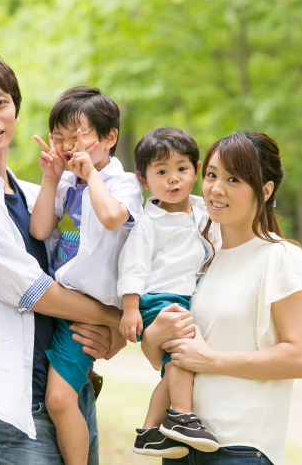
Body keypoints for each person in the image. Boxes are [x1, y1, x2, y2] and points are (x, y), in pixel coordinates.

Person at [0, 48, 125, 465]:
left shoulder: (37, 195)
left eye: (0, 103)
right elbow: (32, 291)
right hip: (12, 403)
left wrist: (114, 336)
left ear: (15, 109)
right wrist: (119, 320)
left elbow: (89, 271)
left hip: (68, 385)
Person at [144, 132, 302, 465]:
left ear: (265, 190)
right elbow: (172, 355)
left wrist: (211, 360)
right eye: (212, 175)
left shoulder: (279, 257)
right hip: (181, 443)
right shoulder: (202, 255)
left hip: (239, 449)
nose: (216, 189)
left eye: (233, 179)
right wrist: (153, 338)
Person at [29, 86, 143, 465]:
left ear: (109, 137)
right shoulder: (66, 182)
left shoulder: (121, 183)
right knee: (63, 395)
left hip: (87, 310)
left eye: (76, 138)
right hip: (60, 300)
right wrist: (50, 177)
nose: (66, 147)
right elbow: (41, 230)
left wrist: (91, 174)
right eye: (58, 138)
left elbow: (112, 217)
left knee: (60, 400)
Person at [116, 127, 220, 458]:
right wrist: (130, 308)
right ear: (143, 180)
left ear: (197, 171)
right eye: (161, 172)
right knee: (184, 354)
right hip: (159, 299)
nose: (173, 179)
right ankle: (181, 417)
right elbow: (133, 265)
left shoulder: (204, 209)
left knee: (174, 364)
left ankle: (149, 431)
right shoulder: (150, 222)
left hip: (186, 298)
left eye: (181, 169)